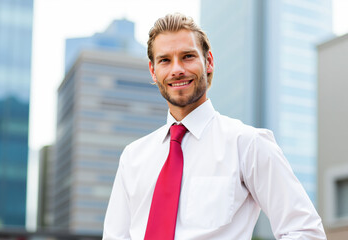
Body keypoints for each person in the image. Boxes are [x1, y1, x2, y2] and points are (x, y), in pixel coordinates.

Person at [102, 13, 326, 240]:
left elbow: (306, 232)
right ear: (153, 71)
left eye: (187, 56)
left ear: (208, 61)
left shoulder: (247, 144)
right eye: (165, 60)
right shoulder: (132, 157)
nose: (177, 69)